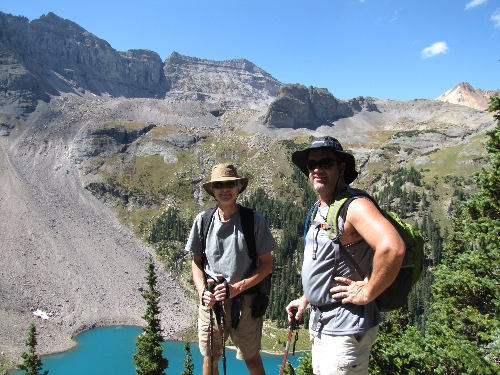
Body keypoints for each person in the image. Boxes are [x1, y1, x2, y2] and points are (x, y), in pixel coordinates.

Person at [285, 136, 405, 375]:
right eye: (312, 164)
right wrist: (306, 298)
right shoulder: (322, 206)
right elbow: (327, 263)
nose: (317, 169)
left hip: (345, 329)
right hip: (323, 323)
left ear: (341, 168)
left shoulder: (355, 206)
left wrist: (368, 291)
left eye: (325, 163)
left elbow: (393, 248)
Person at [186, 163, 277, 375]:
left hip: (245, 302)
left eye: (230, 184)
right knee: (211, 357)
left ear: (238, 189)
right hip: (212, 304)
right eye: (219, 185)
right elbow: (196, 262)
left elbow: (267, 264)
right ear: (213, 190)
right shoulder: (203, 221)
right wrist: (202, 293)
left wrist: (237, 287)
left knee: (251, 357)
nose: (224, 189)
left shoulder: (254, 221)